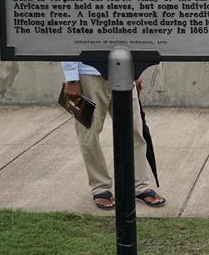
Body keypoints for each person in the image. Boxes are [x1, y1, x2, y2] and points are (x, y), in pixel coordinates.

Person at [62, 61, 167, 209]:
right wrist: (72, 78)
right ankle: (100, 187)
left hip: (124, 71)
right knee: (88, 135)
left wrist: (136, 71)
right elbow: (67, 38)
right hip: (87, 74)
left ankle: (139, 186)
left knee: (135, 131)